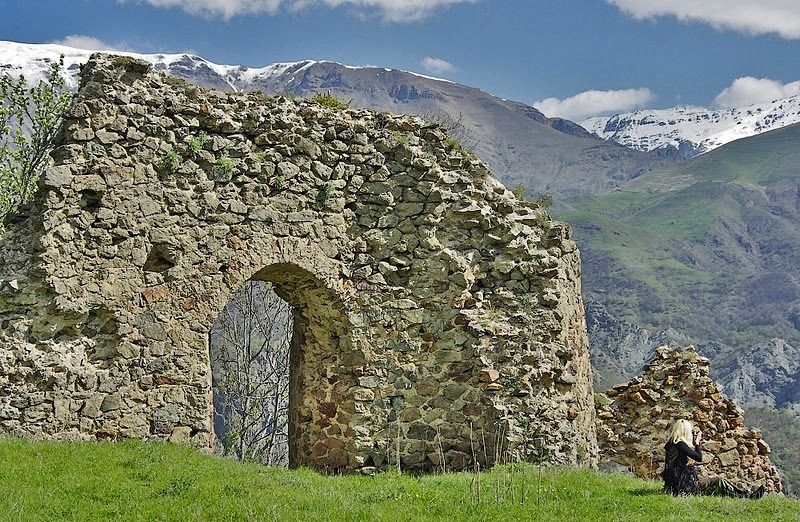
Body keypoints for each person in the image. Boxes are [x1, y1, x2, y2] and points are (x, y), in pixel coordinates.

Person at [662, 419, 766, 499]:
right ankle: (746, 495)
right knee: (718, 480)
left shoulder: (670, 444)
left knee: (711, 481)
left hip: (673, 485)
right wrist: (697, 443)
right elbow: (698, 457)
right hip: (684, 486)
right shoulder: (681, 444)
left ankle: (742, 493)